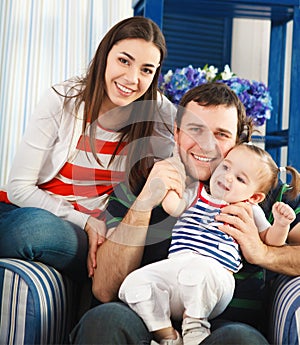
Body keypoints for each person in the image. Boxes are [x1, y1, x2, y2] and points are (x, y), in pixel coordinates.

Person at [70, 82, 299, 344]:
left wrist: (263, 252)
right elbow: (104, 288)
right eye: (195, 129)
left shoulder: (263, 189)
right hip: (144, 316)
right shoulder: (139, 181)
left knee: (240, 339)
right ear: (177, 133)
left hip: (225, 326)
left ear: (237, 142)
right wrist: (145, 201)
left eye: (221, 134)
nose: (206, 145)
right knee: (104, 319)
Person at [0, 16, 176, 282]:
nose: (132, 78)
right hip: (43, 212)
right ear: (105, 55)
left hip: (83, 235)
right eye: (124, 61)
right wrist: (82, 220)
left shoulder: (159, 114)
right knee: (31, 224)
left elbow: (194, 154)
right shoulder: (63, 99)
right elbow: (19, 188)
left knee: (33, 231)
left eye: (146, 70)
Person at [118, 142, 299, 345]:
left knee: (198, 272)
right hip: (177, 267)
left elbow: (271, 240)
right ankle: (167, 335)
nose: (228, 176)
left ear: (255, 196)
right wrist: (173, 178)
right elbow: (173, 207)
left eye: (240, 179)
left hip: (215, 276)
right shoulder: (195, 191)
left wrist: (282, 224)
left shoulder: (248, 208)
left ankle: (195, 327)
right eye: (225, 167)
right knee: (135, 284)